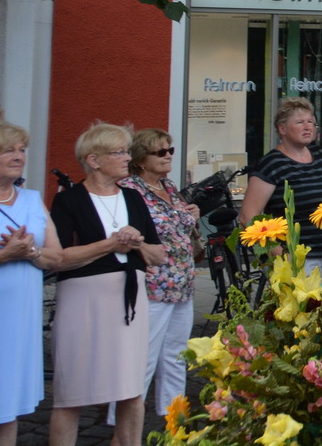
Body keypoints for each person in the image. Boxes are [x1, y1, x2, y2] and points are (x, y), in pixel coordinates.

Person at [49, 122, 165, 446]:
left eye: (127, 151)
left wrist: (136, 244)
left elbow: (158, 255)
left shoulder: (133, 198)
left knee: (131, 390)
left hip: (129, 302)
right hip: (82, 302)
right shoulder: (69, 201)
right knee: (71, 392)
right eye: (119, 152)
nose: (127, 157)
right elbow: (56, 258)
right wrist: (110, 244)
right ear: (94, 159)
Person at [0, 122, 65, 446]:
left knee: (4, 410)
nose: (18, 156)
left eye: (22, 150)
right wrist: (4, 255)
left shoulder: (31, 199)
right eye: (8, 150)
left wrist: (32, 252)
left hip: (16, 325)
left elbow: (56, 257)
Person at [107, 130, 199, 424]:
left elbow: (179, 223)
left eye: (169, 150)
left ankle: (175, 418)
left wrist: (191, 213)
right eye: (160, 152)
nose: (168, 155)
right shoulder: (129, 189)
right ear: (141, 160)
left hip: (181, 281)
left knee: (176, 355)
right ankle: (120, 419)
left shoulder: (168, 186)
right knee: (143, 355)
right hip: (152, 283)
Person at [241, 98, 322, 283]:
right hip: (298, 258)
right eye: (300, 122)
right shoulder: (271, 164)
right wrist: (280, 254)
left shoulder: (320, 155)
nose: (308, 127)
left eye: (311, 122)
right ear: (282, 129)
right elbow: (247, 216)